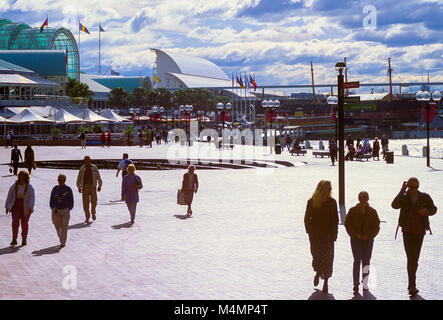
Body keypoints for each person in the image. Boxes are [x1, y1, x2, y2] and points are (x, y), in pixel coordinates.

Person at [391, 177, 437, 297]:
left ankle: (412, 284)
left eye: (416, 187)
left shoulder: (424, 197)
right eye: (411, 187)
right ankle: (412, 285)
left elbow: (434, 209)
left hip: (419, 231)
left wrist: (426, 211)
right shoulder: (404, 196)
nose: (413, 189)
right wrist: (402, 190)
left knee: (414, 258)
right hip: (407, 231)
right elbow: (394, 205)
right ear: (408, 186)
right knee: (410, 257)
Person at [304, 180, 339, 294]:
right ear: (322, 189)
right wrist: (309, 232)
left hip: (328, 236)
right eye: (328, 188)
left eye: (331, 188)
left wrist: (335, 234)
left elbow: (335, 220)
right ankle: (318, 272)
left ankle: (326, 283)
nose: (330, 190)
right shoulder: (312, 202)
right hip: (315, 236)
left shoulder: (332, 202)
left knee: (328, 259)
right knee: (316, 256)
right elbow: (306, 218)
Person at [345, 191, 380, 294]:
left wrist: (369, 236)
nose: (363, 199)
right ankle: (355, 284)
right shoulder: (352, 211)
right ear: (358, 198)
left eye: (364, 197)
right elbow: (347, 225)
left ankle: (365, 283)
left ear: (367, 199)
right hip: (356, 240)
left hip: (368, 241)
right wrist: (355, 235)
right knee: (357, 261)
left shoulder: (372, 212)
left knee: (366, 262)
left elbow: (376, 226)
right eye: (361, 197)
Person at [5, 171, 35, 246]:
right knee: (15, 222)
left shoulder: (29, 187)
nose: (22, 178)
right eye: (20, 176)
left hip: (26, 207)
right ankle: (14, 239)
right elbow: (9, 196)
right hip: (16, 206)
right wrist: (7, 206)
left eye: (23, 176)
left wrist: (30, 207)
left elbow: (32, 197)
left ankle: (24, 239)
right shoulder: (14, 186)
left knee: (24, 223)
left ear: (26, 177)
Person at [76, 156, 102, 224]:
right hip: (85, 187)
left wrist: (99, 185)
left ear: (90, 160)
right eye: (86, 160)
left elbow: (98, 177)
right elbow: (79, 178)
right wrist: (79, 187)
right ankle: (87, 217)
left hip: (93, 186)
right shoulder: (82, 168)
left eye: (88, 160)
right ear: (84, 161)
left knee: (94, 201)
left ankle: (93, 212)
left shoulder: (94, 167)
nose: (87, 162)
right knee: (85, 203)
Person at [50, 174, 74, 248]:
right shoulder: (55, 188)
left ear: (64, 180)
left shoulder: (68, 189)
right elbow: (51, 199)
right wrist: (52, 207)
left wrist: (69, 208)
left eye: (61, 180)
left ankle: (63, 242)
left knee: (64, 227)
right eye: (59, 179)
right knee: (57, 226)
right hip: (56, 210)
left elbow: (71, 199)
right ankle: (61, 236)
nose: (59, 181)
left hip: (65, 210)